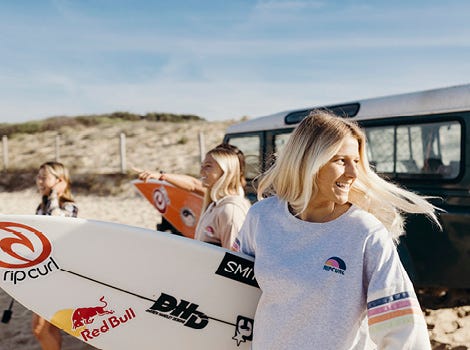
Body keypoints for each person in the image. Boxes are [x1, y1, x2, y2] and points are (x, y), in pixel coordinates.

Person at [233, 110, 440, 349]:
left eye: (356, 162)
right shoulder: (261, 218)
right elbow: (235, 292)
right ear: (308, 161)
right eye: (341, 160)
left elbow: (402, 330)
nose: (353, 173)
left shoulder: (365, 233)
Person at [137, 143, 250, 249]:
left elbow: (233, 259)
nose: (201, 172)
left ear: (227, 170)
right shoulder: (214, 204)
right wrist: (162, 177)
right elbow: (194, 184)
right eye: (203, 166)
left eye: (208, 166)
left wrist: (162, 176)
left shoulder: (230, 210)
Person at [32, 161, 78, 350]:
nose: (39, 181)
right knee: (41, 328)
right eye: (38, 176)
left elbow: (55, 222)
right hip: (45, 273)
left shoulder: (69, 207)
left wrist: (54, 195)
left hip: (60, 275)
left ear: (60, 180)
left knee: (41, 328)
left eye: (45, 177)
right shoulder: (40, 207)